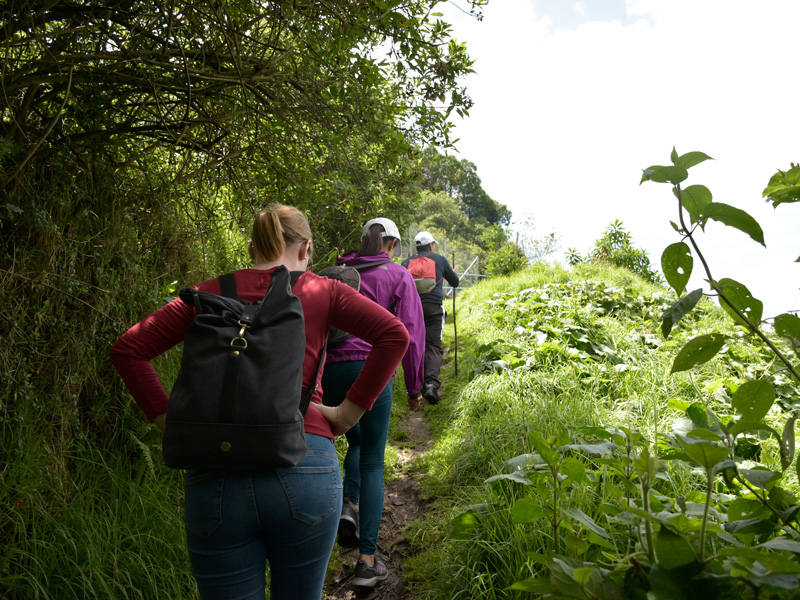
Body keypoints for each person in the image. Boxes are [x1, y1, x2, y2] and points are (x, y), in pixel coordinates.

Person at [110, 204, 409, 600]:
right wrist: (346, 413)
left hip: (215, 468)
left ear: (252, 249)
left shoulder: (206, 293)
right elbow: (394, 334)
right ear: (306, 249)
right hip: (306, 458)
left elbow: (129, 349)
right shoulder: (324, 290)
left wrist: (172, 422)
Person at [321, 217, 425, 587]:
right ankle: (367, 560)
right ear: (392, 245)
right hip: (371, 372)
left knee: (351, 439)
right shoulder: (398, 276)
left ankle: (347, 506)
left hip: (327, 371)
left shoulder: (336, 271)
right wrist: (414, 388)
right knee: (373, 462)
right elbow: (410, 333)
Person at [401, 231, 459, 405]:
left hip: (412, 310)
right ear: (431, 245)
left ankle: (415, 386)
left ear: (417, 247)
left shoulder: (406, 262)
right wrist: (452, 272)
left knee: (416, 346)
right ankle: (431, 384)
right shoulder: (439, 259)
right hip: (434, 308)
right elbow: (455, 282)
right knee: (433, 345)